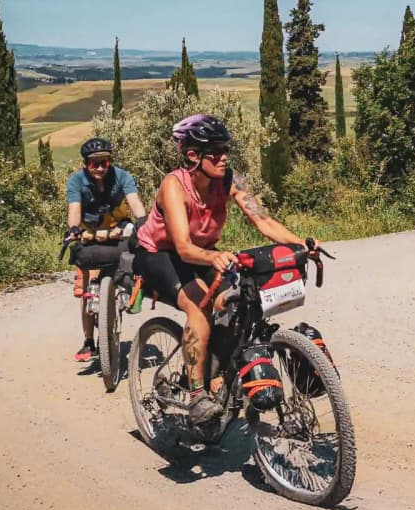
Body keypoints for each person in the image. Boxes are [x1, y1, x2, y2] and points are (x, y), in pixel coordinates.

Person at [133, 114, 321, 424]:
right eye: (215, 152)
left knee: (236, 301)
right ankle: (196, 396)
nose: (224, 158)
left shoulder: (231, 179)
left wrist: (301, 244)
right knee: (198, 308)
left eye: (226, 150)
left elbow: (263, 220)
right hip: (160, 254)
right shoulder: (173, 186)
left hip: (202, 252)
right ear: (193, 155)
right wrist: (214, 258)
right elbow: (182, 247)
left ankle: (216, 372)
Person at [65, 137, 147, 362]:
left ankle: (126, 294)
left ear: (110, 162)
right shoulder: (75, 181)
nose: (100, 168)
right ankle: (89, 341)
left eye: (104, 163)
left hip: (119, 230)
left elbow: (135, 202)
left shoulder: (122, 177)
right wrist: (73, 228)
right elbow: (74, 209)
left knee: (134, 264)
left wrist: (143, 221)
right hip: (90, 233)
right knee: (85, 288)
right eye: (94, 164)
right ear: (86, 164)